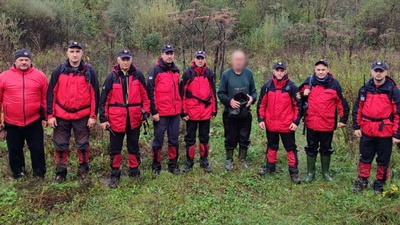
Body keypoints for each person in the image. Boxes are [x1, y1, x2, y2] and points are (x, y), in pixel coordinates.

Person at [47, 42, 99, 184]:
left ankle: (83, 172)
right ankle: (60, 173)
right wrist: (50, 115)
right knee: (60, 145)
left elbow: (95, 95)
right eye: (72, 51)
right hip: (61, 115)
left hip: (82, 116)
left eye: (77, 51)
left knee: (82, 145)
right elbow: (51, 93)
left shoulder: (89, 71)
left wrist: (93, 116)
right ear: (67, 53)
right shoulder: (59, 70)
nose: (74, 54)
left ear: (82, 53)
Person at [99, 49, 150, 188]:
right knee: (115, 148)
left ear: (131, 60)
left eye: (128, 59)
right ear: (118, 60)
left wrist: (146, 112)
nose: (126, 62)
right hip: (116, 119)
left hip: (134, 118)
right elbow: (103, 100)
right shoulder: (111, 77)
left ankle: (134, 172)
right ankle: (115, 174)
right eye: (123, 59)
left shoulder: (138, 75)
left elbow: (145, 95)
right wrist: (103, 119)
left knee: (133, 146)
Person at [352, 61, 400, 194]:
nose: (378, 74)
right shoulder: (365, 88)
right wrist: (356, 127)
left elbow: (398, 113)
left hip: (385, 131)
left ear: (386, 72)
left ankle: (380, 183)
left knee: (383, 160)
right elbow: (358, 109)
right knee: (365, 157)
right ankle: (362, 180)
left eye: (381, 71)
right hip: (367, 129)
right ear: (371, 72)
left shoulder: (393, 90)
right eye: (376, 71)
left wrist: (397, 134)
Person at [0, 49, 48, 179]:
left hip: (34, 121)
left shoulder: (40, 76)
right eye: (21, 60)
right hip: (12, 122)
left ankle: (39, 175)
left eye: (26, 60)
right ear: (15, 61)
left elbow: (45, 98)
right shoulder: (4, 76)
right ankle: (18, 175)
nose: (24, 62)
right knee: (14, 150)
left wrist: (45, 118)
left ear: (30, 61)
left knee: (37, 149)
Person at [299, 60, 349, 182]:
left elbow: (341, 103)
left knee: (326, 148)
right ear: (315, 70)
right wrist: (302, 93)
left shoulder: (334, 84)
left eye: (323, 70)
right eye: (318, 70)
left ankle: (325, 173)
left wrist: (343, 119)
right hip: (311, 122)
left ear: (327, 70)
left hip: (327, 124)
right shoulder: (309, 81)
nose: (320, 72)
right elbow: (296, 97)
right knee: (311, 147)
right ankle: (311, 173)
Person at [257, 62, 302, 183]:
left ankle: (294, 173)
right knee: (272, 146)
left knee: (290, 148)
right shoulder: (267, 86)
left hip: (287, 125)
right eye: (277, 70)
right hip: (271, 124)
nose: (279, 73)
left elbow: (298, 106)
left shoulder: (292, 87)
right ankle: (270, 167)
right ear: (273, 71)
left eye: (282, 70)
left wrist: (296, 122)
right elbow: (262, 104)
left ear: (286, 72)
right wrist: (261, 119)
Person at [217, 50, 257, 171]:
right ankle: (229, 159)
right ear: (232, 61)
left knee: (244, 136)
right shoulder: (226, 75)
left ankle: (242, 159)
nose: (239, 62)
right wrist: (229, 101)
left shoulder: (248, 74)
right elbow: (220, 93)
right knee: (230, 136)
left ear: (244, 61)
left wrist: (252, 99)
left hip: (245, 112)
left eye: (241, 60)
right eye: (236, 59)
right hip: (230, 113)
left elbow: (254, 91)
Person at [147, 45, 183, 176]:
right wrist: (154, 111)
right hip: (161, 113)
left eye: (171, 53)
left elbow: (178, 90)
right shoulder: (155, 70)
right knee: (158, 140)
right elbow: (150, 92)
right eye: (167, 53)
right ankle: (156, 166)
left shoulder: (176, 70)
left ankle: (173, 165)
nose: (169, 56)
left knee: (174, 139)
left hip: (175, 112)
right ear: (162, 55)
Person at [180, 51, 217, 173]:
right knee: (190, 138)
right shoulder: (188, 73)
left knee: (204, 138)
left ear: (205, 59)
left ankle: (204, 161)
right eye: (198, 58)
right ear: (194, 59)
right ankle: (189, 163)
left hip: (205, 112)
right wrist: (183, 112)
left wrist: (214, 109)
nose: (200, 60)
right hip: (191, 112)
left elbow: (212, 92)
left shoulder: (209, 73)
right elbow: (183, 94)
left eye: (202, 58)